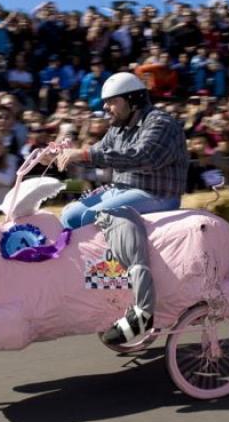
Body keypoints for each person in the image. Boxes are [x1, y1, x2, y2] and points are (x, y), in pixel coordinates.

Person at [41, 72, 188, 346]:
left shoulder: (161, 124)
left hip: (156, 193)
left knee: (91, 216)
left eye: (112, 102)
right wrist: (59, 156)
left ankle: (136, 302)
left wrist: (84, 154)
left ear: (133, 100)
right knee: (71, 215)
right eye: (105, 103)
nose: (106, 108)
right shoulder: (118, 127)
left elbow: (142, 157)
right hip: (122, 189)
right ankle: (103, 280)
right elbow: (98, 154)